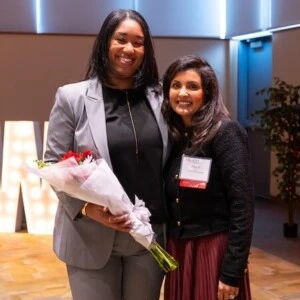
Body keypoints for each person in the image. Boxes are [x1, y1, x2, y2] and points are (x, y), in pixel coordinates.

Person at [44, 9, 169, 300]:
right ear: (105, 43)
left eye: (138, 42)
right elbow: (53, 164)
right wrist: (88, 209)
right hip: (89, 235)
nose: (129, 49)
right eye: (121, 39)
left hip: (148, 238)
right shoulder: (72, 97)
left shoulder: (161, 98)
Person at [161, 55, 254, 300]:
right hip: (179, 250)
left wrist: (232, 270)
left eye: (192, 86)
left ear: (208, 93)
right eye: (176, 85)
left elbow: (242, 206)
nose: (183, 93)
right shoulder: (176, 137)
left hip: (212, 251)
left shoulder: (225, 133)